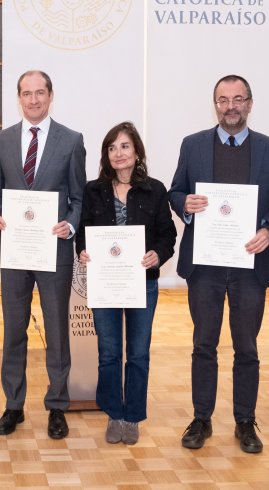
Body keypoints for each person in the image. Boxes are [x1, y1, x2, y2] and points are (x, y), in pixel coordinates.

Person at [169, 74, 269, 453]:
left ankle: (245, 421)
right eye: (223, 99)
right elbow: (175, 190)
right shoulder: (193, 145)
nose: (230, 106)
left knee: (247, 348)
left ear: (250, 104)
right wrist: (184, 205)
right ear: (215, 104)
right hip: (204, 266)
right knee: (203, 345)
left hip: (250, 266)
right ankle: (201, 419)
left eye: (238, 99)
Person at [0, 70, 86, 439]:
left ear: (50, 95)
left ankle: (57, 405)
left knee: (57, 333)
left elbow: (78, 198)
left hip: (54, 252)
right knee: (14, 331)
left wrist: (70, 225)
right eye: (26, 93)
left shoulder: (72, 140)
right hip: (14, 252)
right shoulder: (2, 140)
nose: (33, 100)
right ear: (18, 97)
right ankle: (14, 405)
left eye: (39, 92)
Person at [76, 122, 176, 445]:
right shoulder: (93, 190)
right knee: (107, 353)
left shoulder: (155, 190)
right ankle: (113, 413)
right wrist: (83, 252)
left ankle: (132, 417)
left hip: (142, 283)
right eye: (112, 148)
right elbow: (83, 231)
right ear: (107, 155)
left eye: (124, 147)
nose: (118, 153)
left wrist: (156, 255)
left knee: (138, 354)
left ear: (136, 153)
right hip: (105, 283)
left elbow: (168, 235)